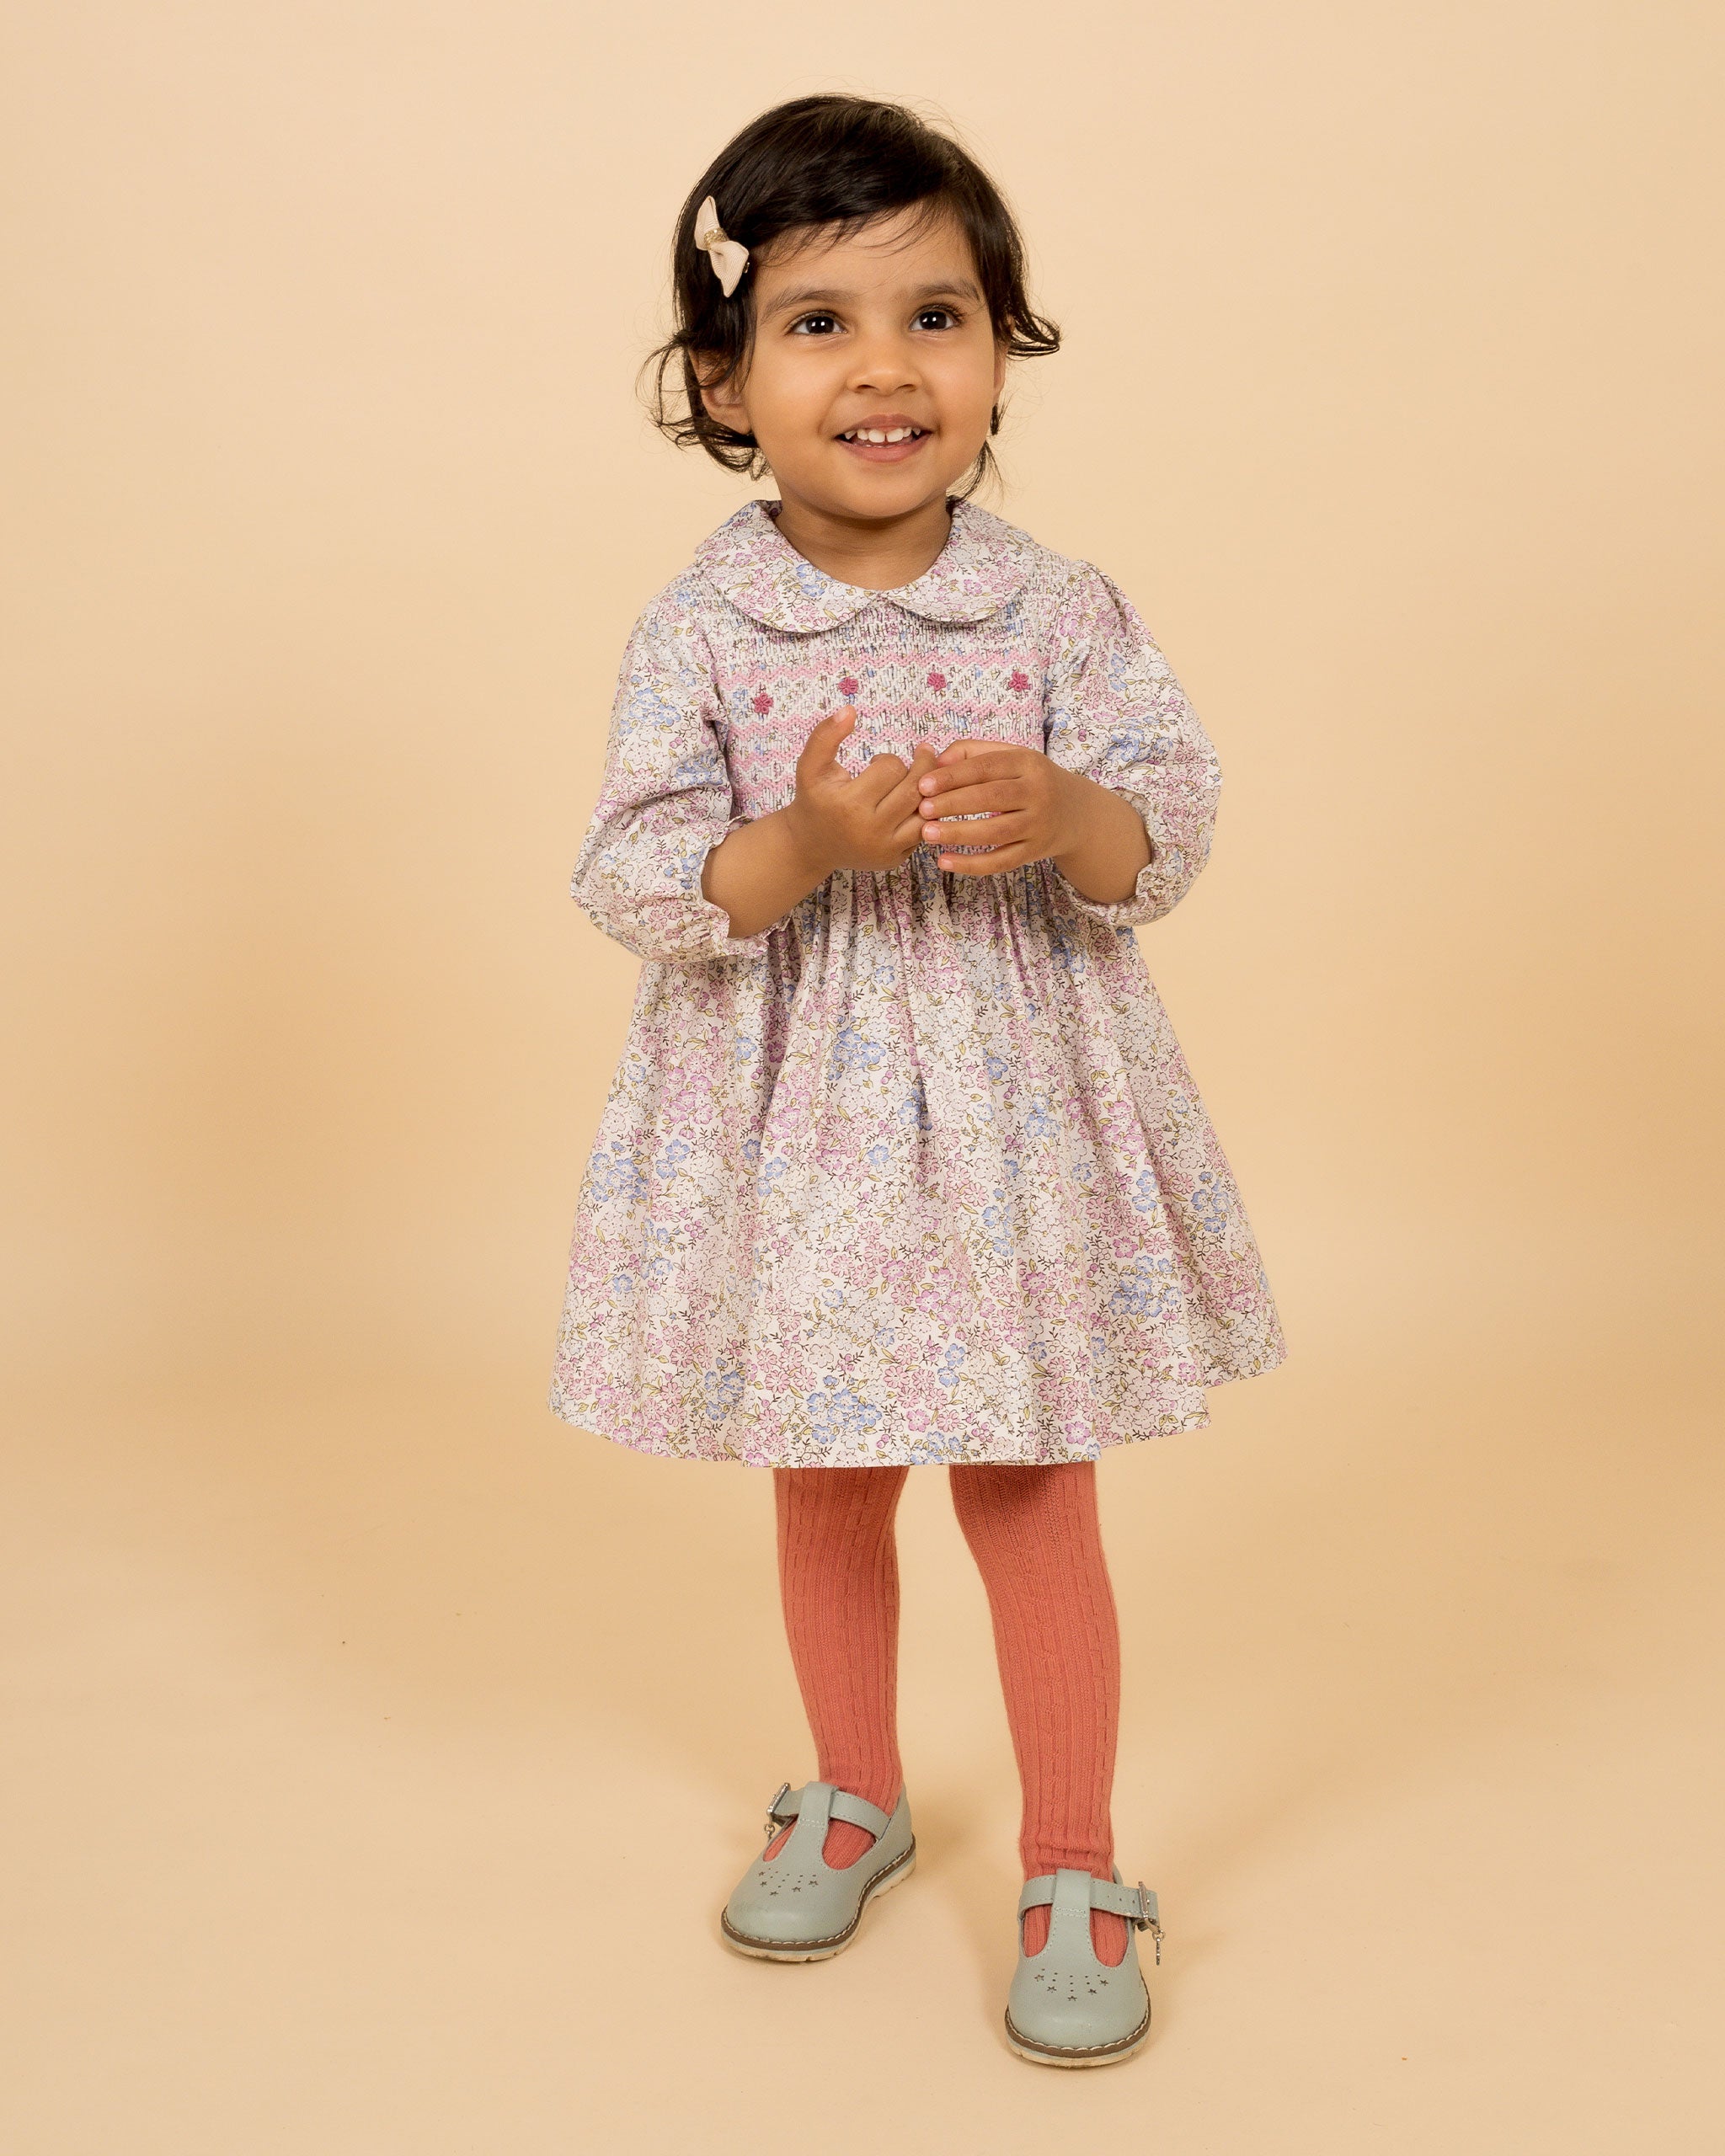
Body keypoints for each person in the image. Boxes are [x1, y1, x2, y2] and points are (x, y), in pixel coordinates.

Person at [547, 93, 1286, 2068]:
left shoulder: (1056, 608)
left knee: (1031, 1478)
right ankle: (852, 1785)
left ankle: (1071, 1852)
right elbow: (634, 868)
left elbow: (1173, 836)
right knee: (829, 1464)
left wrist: (1066, 807)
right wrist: (796, 850)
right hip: (796, 1126)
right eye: (817, 321)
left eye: (935, 316)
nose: (884, 366)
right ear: (723, 372)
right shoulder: (704, 621)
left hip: (1017, 1119)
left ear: (996, 355)